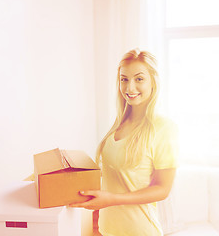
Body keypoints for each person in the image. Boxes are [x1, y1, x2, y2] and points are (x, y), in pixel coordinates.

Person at [70, 48, 179, 236]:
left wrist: (111, 199)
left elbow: (162, 189)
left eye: (139, 79)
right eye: (124, 79)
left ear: (153, 81)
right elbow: (115, 174)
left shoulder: (163, 127)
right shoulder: (120, 123)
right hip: (108, 229)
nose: (130, 88)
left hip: (140, 231)